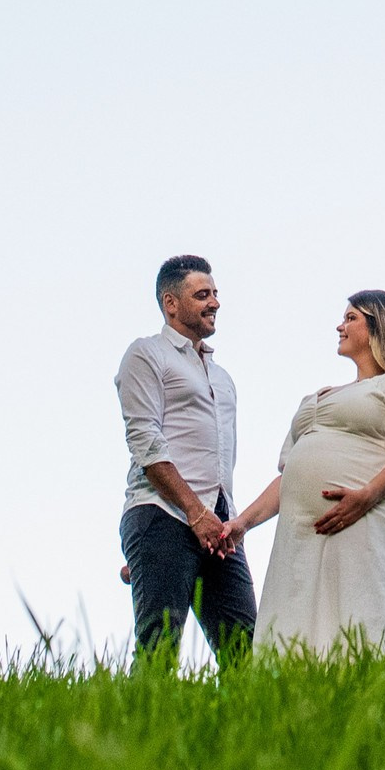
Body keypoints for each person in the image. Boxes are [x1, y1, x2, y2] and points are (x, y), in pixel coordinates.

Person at [230, 290, 385, 654]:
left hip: (369, 521)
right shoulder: (317, 398)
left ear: (378, 326)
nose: (340, 326)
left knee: (365, 628)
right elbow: (290, 476)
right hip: (301, 534)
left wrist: (367, 496)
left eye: (351, 318)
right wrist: (243, 524)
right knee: (297, 635)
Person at [116, 254, 256, 662]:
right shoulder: (146, 355)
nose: (214, 302)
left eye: (215, 294)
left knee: (245, 652)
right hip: (163, 515)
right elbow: (146, 442)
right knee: (159, 649)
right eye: (202, 294)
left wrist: (218, 518)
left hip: (219, 524)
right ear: (170, 303)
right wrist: (194, 513)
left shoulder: (222, 377)